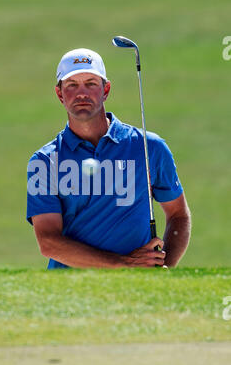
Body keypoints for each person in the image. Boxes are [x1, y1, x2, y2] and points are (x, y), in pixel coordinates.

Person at [26, 48, 191, 269]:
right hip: (67, 294)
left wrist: (164, 268)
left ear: (106, 90)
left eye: (91, 83)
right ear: (60, 94)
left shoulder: (149, 147)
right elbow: (49, 242)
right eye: (72, 85)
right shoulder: (44, 162)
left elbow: (178, 214)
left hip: (135, 292)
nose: (81, 93)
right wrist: (124, 264)